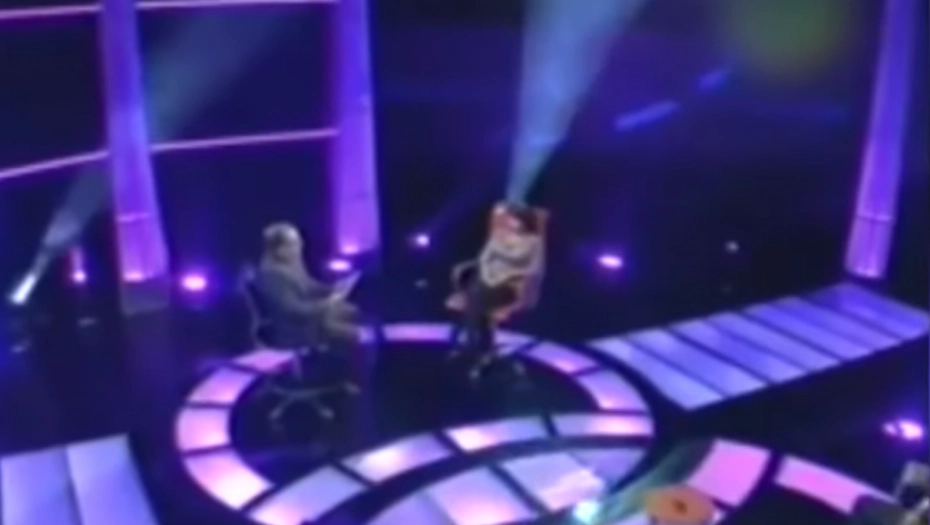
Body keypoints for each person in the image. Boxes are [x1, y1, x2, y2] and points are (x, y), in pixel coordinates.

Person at [255, 223, 360, 349]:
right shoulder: (272, 275)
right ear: (280, 250)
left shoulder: (291, 264)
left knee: (352, 311)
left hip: (309, 319)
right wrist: (327, 304)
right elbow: (295, 310)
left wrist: (333, 288)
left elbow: (310, 286)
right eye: (294, 244)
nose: (300, 247)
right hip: (295, 328)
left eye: (299, 242)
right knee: (351, 334)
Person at [461, 203, 544, 360]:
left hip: (511, 284)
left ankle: (476, 342)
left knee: (477, 298)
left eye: (515, 219)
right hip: (490, 278)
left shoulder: (534, 242)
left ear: (524, 221)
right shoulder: (498, 236)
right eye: (510, 219)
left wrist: (508, 275)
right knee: (476, 292)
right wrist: (489, 276)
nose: (511, 222)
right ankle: (477, 341)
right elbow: (484, 259)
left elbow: (534, 268)